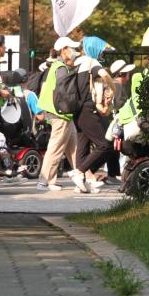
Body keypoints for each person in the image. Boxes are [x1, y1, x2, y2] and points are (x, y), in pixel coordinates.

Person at [36, 37, 81, 192]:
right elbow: (65, 92)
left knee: (74, 148)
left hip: (60, 113)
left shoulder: (57, 66)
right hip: (60, 114)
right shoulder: (61, 68)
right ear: (63, 50)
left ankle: (83, 177)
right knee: (56, 148)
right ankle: (45, 181)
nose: (74, 52)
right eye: (72, 48)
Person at [72, 55, 117, 192]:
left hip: (77, 110)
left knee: (83, 147)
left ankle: (81, 184)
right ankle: (79, 172)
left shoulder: (78, 65)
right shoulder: (92, 62)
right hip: (87, 110)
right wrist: (113, 88)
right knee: (104, 144)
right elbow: (104, 74)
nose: (103, 54)